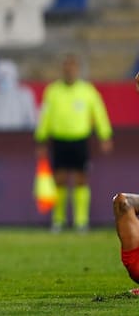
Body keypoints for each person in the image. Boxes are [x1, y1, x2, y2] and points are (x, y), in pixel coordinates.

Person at [35, 54, 112, 232]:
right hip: (59, 140)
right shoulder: (53, 91)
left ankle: (81, 221)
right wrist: (41, 139)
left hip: (79, 140)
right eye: (66, 66)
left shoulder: (88, 91)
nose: (69, 70)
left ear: (78, 70)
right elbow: (45, 116)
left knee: (81, 180)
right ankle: (58, 220)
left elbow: (99, 113)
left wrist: (105, 135)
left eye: (73, 67)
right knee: (59, 180)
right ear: (63, 69)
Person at [0, 59, 37, 131]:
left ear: (14, 75)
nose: (3, 78)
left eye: (6, 75)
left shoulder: (24, 94)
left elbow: (31, 118)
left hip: (18, 134)